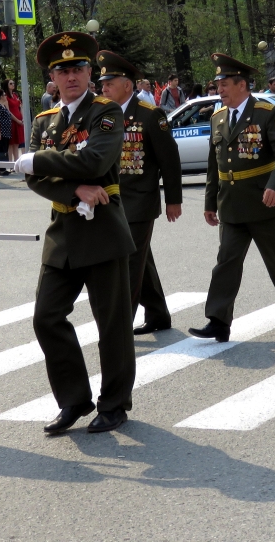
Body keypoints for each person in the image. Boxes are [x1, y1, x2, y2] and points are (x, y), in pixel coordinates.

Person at [12, 31, 135, 435]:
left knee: (111, 324)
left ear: (90, 72)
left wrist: (41, 160)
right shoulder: (46, 121)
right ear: (52, 77)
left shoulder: (106, 112)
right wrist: (73, 187)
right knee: (46, 318)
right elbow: (35, 180)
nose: (71, 76)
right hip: (62, 233)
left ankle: (114, 404)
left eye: (79, 68)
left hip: (102, 231)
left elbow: (97, 159)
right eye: (63, 70)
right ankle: (74, 401)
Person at [190, 53, 275, 342]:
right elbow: (214, 164)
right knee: (226, 263)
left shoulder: (266, 113)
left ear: (242, 85)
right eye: (217, 85)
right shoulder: (218, 117)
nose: (218, 91)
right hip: (231, 204)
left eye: (224, 85)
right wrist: (210, 202)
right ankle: (218, 321)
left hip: (263, 201)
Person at [96, 50, 183, 335]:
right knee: (140, 260)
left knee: (129, 263)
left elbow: (169, 160)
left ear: (127, 85)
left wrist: (173, 200)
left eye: (109, 83)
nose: (103, 88)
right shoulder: (102, 116)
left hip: (139, 202)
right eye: (102, 83)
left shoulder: (149, 115)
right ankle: (158, 314)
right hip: (111, 202)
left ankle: (119, 327)